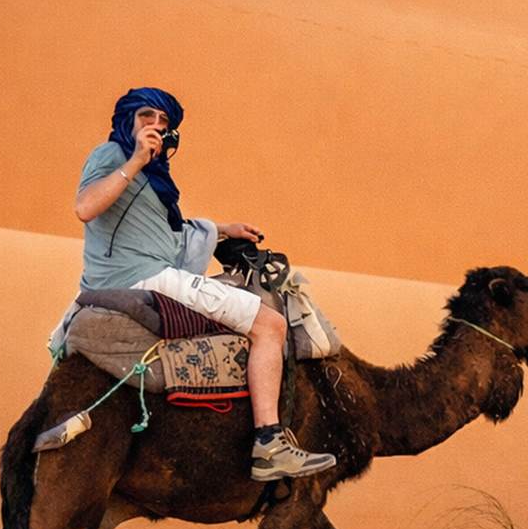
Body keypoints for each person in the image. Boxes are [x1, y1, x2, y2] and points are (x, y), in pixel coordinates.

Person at [69, 87, 335, 481]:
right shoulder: (112, 155)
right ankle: (269, 444)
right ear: (127, 119)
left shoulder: (155, 179)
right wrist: (137, 159)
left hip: (140, 269)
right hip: (141, 277)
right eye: (147, 117)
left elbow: (160, 236)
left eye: (164, 123)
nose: (156, 127)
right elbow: (85, 208)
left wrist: (222, 230)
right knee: (271, 326)